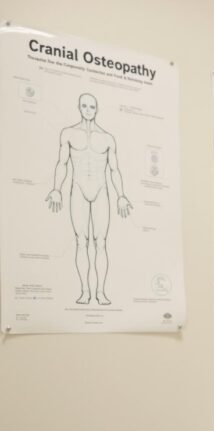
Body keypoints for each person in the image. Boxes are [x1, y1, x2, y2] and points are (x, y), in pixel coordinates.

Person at [46, 93, 133, 305]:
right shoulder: (68, 133)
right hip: (78, 190)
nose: (88, 110)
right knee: (80, 242)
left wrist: (121, 195)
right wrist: (56, 188)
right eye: (84, 106)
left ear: (97, 109)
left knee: (101, 243)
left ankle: (101, 292)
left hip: (101, 190)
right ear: (79, 107)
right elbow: (62, 164)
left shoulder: (107, 138)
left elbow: (114, 169)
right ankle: (85, 291)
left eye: (91, 106)